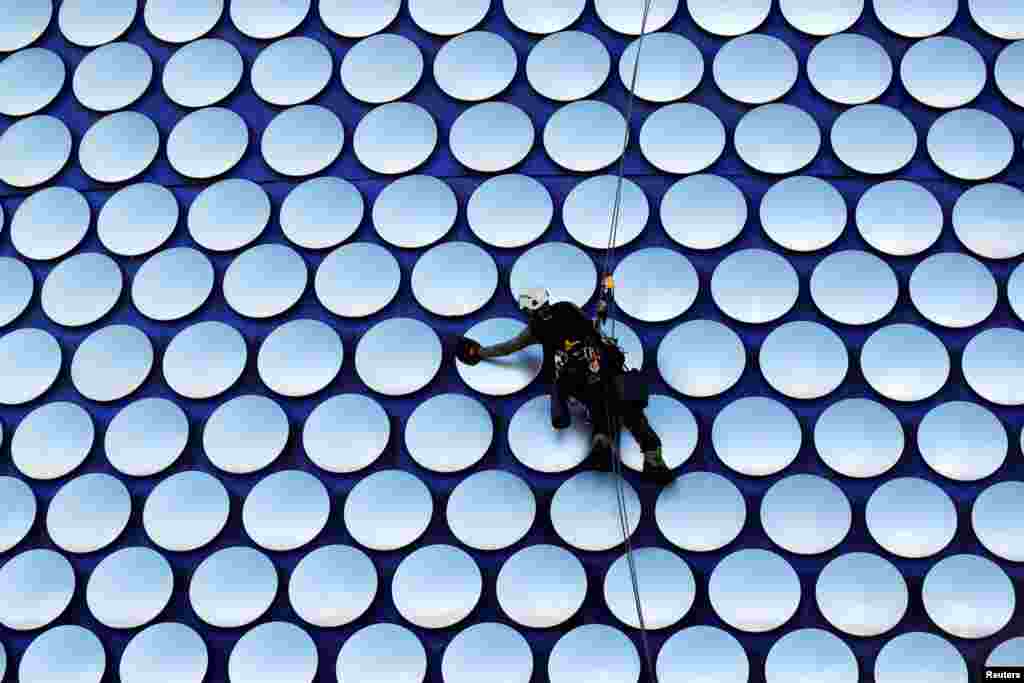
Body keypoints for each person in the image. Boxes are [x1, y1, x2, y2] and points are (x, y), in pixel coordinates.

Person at [456, 287, 673, 483]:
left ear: (529, 310)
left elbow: (509, 347)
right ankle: (654, 462)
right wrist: (602, 315)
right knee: (633, 415)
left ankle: (601, 443)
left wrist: (480, 352)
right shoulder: (567, 308)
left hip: (575, 379)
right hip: (605, 366)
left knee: (599, 410)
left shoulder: (534, 329)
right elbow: (592, 329)